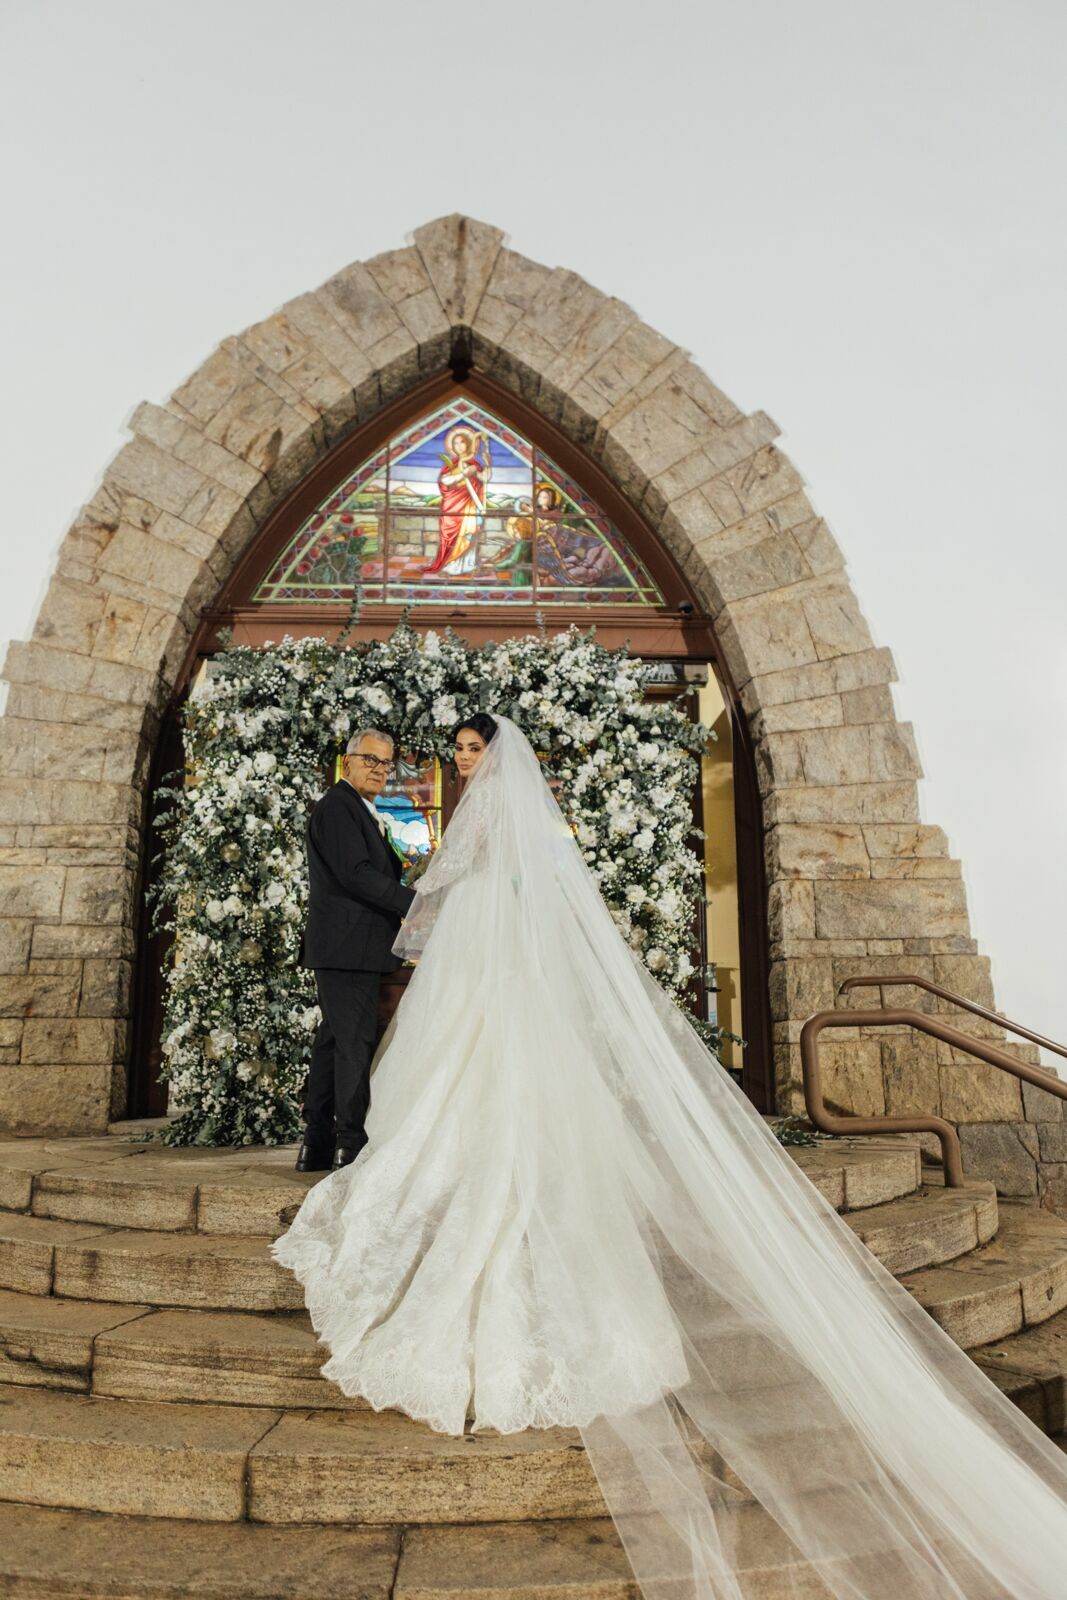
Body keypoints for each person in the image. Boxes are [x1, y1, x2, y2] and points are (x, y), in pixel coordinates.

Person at [273, 713, 1067, 1599]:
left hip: (481, 959)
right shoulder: (490, 812)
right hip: (482, 956)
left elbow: (457, 880)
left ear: (493, 756)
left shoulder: (488, 812)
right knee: (447, 1065)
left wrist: (427, 896)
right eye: (454, 750)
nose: (459, 760)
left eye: (468, 749)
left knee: (465, 1072)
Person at [293, 726, 415, 1173]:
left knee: (333, 1042)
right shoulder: (339, 806)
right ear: (348, 762)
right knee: (354, 1045)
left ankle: (316, 1144)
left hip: (351, 946)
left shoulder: (359, 809)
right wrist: (416, 904)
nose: (380, 769)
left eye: (386, 763)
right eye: (370, 759)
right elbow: (357, 874)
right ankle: (350, 1144)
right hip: (347, 946)